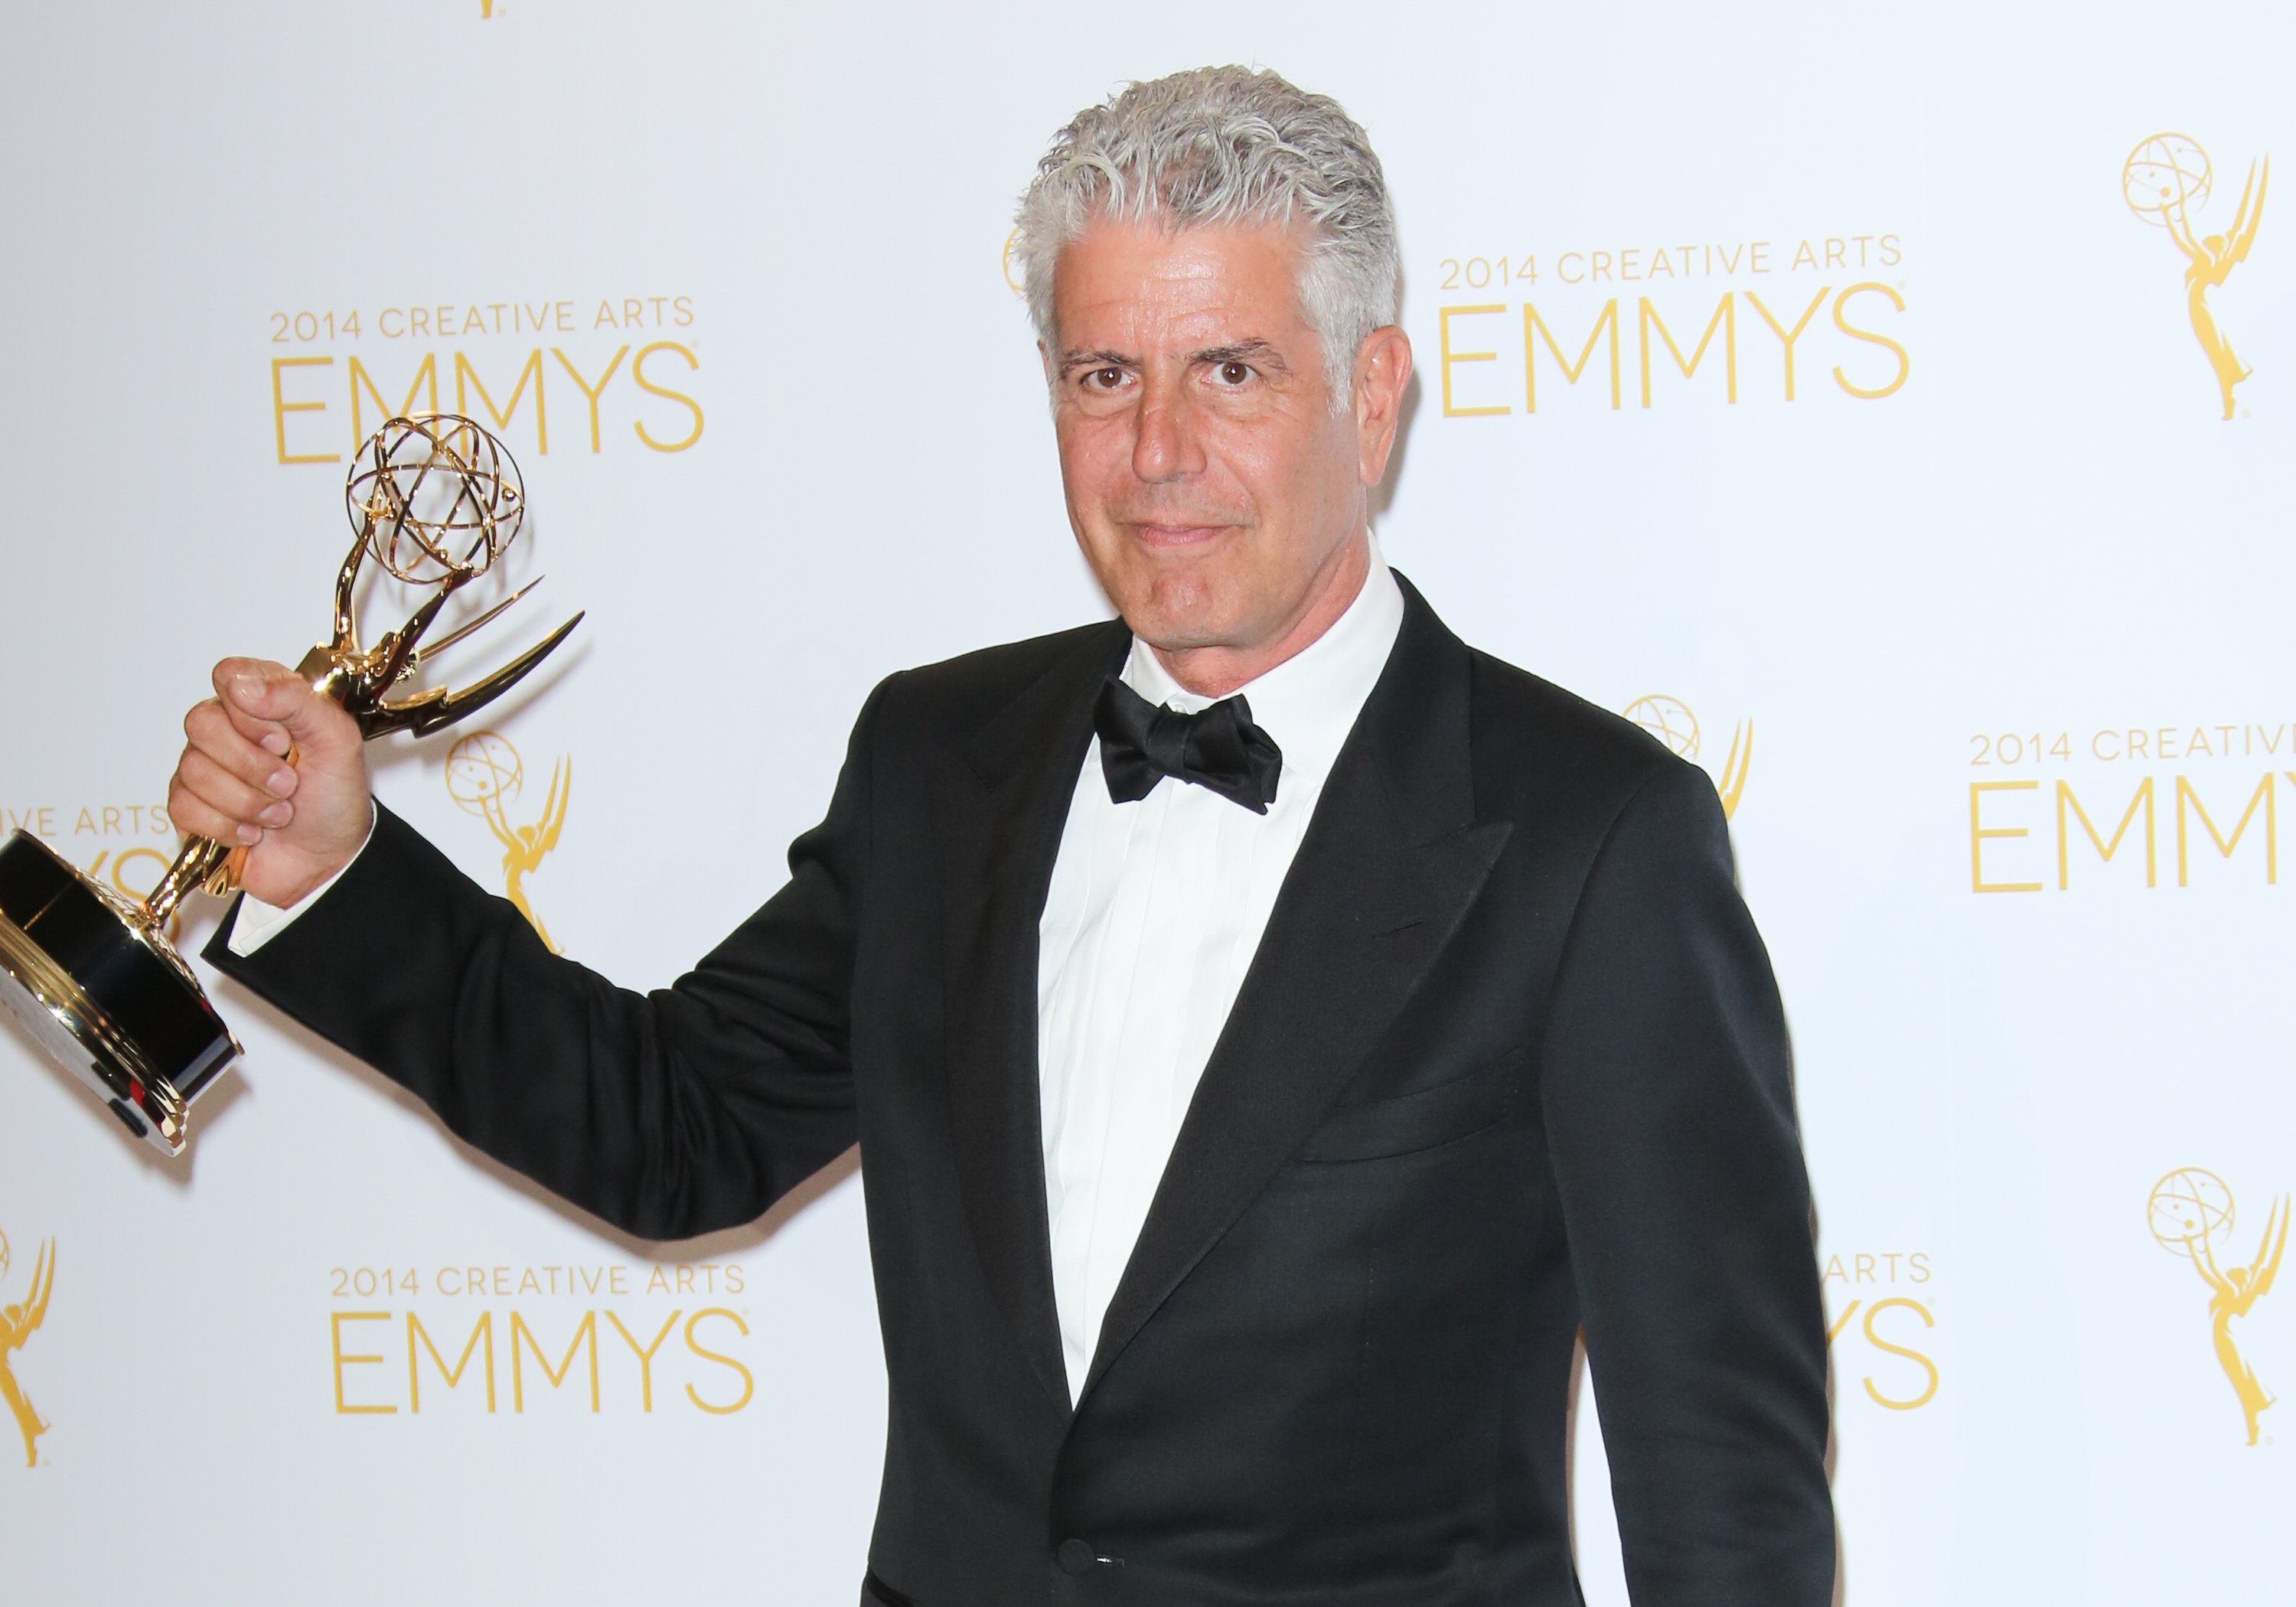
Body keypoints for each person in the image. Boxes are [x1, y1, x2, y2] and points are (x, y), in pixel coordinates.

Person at [170, 66, 1834, 1606]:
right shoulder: (940, 761)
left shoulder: (1590, 838)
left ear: (1372, 392)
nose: (1158, 454)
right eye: (1105, 376)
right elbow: (672, 1128)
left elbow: (1723, 1490)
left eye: (1231, 372)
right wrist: (338, 871)